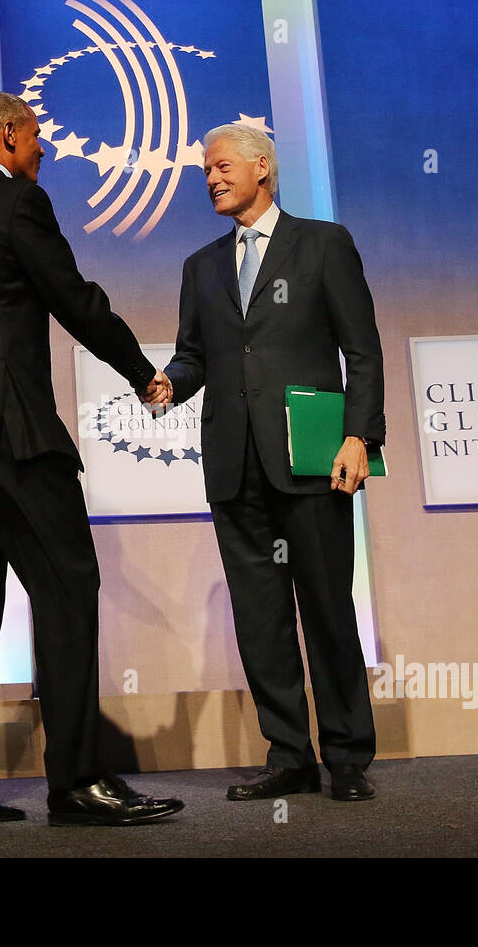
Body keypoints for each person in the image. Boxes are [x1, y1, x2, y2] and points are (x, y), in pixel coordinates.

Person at [0, 91, 183, 826]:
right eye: (38, 135)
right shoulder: (21, 204)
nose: (45, 148)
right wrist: (140, 370)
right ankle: (80, 779)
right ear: (11, 135)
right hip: (10, 433)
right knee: (67, 584)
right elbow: (74, 299)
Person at [159, 124, 384, 802]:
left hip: (311, 460)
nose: (211, 179)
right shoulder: (200, 266)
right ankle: (289, 754)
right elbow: (195, 355)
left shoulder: (323, 244)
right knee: (259, 618)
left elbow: (363, 350)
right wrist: (169, 381)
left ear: (262, 168)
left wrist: (360, 438)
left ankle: (346, 757)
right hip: (235, 465)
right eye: (205, 171)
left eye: (222, 167)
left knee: (326, 608)